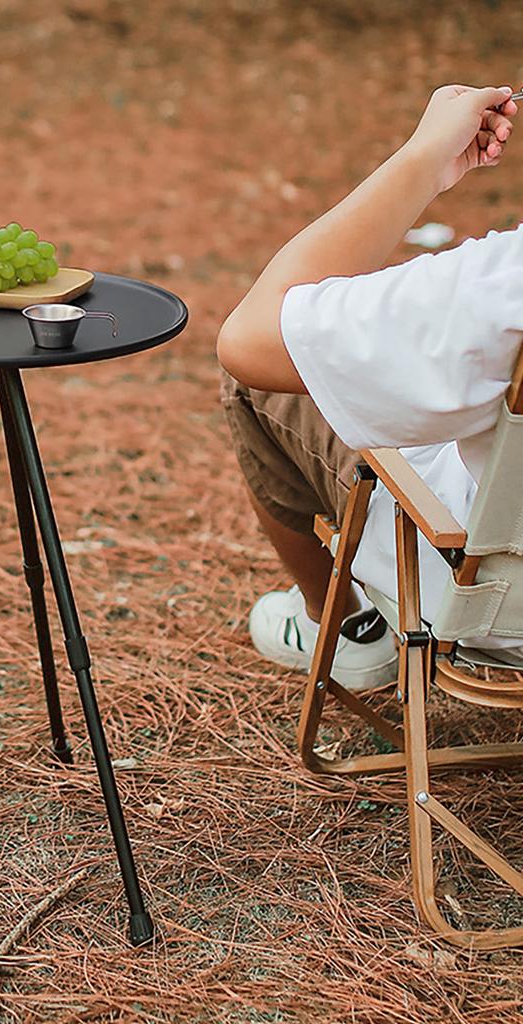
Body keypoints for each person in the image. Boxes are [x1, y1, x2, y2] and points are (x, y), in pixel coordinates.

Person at [217, 84, 522, 691]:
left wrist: (424, 160)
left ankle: (351, 634)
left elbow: (250, 339)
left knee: (260, 384)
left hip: (498, 607)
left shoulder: (503, 281)